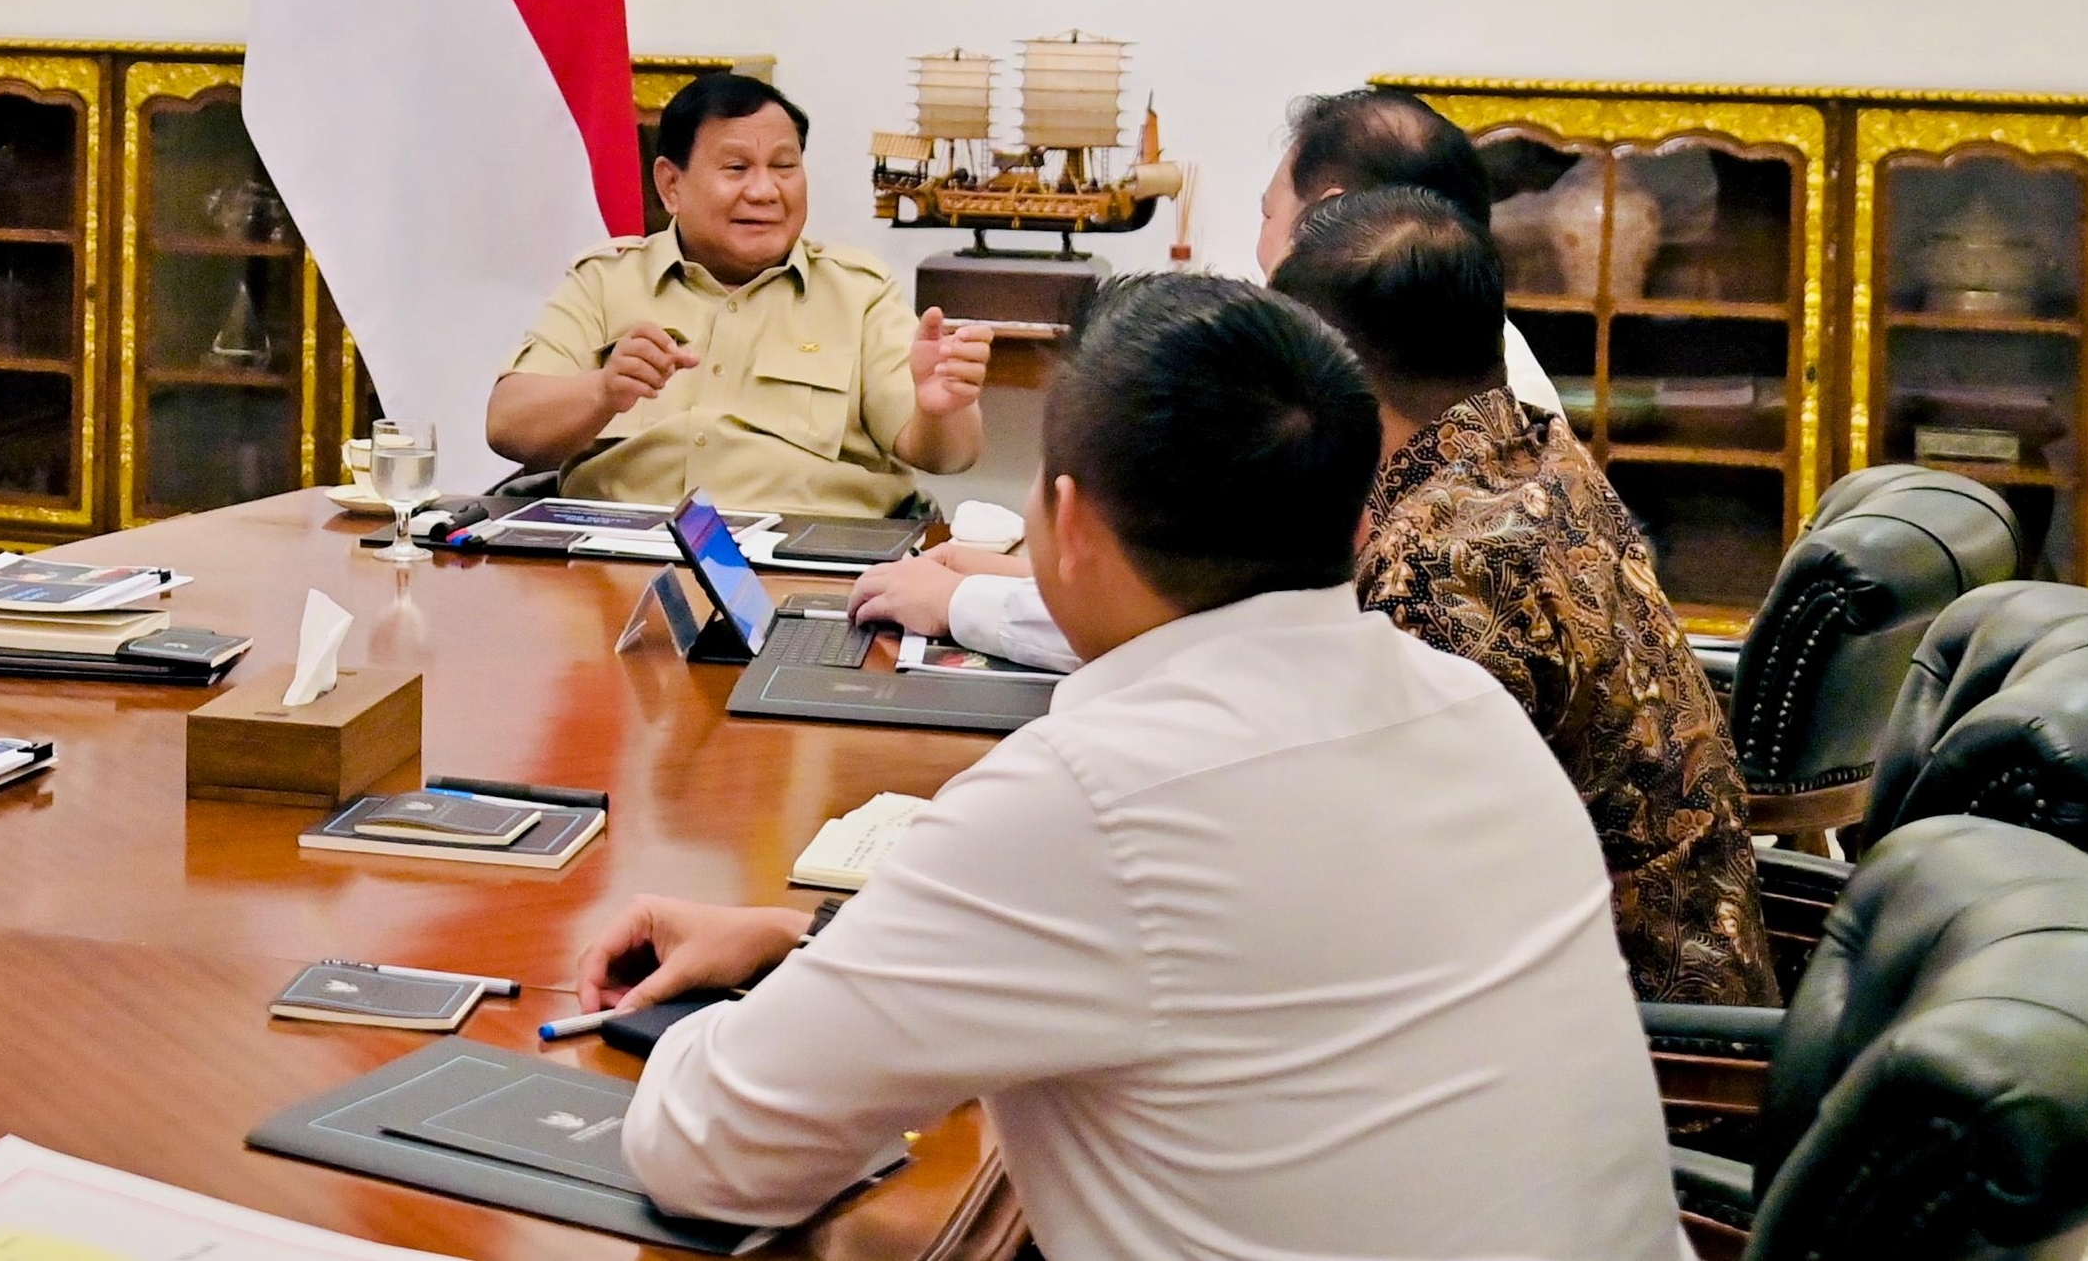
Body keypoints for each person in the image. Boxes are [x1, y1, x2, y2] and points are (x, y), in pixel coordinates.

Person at [591, 276, 1686, 1260]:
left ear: (1066, 522)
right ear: (1360, 522)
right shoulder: (1465, 706)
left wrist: (713, 1032)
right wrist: (814, 947)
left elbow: (710, 1150)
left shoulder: (1086, 797)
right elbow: (1254, 975)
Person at [855, 83, 1568, 670]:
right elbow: (1230, 584)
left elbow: (1238, 652)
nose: (1259, 250)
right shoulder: (1470, 367)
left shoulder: (1368, 401)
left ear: (1326, 220)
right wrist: (1017, 576)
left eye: (1266, 213)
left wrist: (963, 604)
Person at [1272, 190, 1776, 1004]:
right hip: (1679, 982)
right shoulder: (1539, 455)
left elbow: (1397, 889)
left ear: (1336, 377)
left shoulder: (1441, 563)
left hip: (1639, 1043)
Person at [487, 74, 987, 518]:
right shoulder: (605, 280)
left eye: (784, 166)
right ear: (671, 185)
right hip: (618, 559)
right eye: (736, 168)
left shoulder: (859, 292)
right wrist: (602, 392)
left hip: (808, 558)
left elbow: (946, 455)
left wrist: (943, 410)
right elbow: (508, 426)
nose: (765, 191)